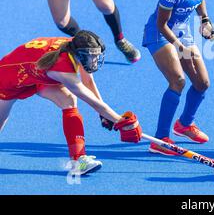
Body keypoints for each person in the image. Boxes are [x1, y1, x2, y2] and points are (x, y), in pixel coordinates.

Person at [0, 30, 143, 175]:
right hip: (8, 78)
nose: (94, 60)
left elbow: (88, 81)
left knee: (69, 101)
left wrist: (104, 115)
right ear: (81, 55)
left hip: (37, 72)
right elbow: (90, 100)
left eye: (96, 56)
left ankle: (78, 160)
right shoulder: (63, 69)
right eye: (92, 57)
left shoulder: (77, 45)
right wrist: (119, 121)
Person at [142, 0, 214, 155]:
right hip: (160, 33)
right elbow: (161, 24)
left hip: (183, 31)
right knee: (178, 81)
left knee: (202, 83)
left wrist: (205, 20)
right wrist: (181, 47)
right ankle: (160, 139)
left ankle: (184, 125)